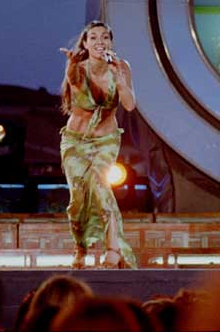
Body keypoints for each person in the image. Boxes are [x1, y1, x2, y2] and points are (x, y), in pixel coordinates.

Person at [59, 20, 137, 269]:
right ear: (85, 43)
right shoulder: (77, 68)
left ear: (111, 42)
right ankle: (80, 248)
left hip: (106, 140)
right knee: (78, 198)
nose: (99, 42)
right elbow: (82, 98)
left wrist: (119, 78)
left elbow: (129, 105)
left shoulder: (122, 66)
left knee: (101, 188)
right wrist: (73, 68)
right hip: (76, 141)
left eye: (104, 37)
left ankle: (113, 250)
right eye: (93, 38)